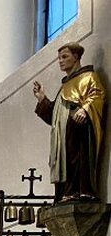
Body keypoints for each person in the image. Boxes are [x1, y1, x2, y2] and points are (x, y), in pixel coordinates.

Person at [33, 42, 105, 202]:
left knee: (76, 158)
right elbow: (55, 116)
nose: (60, 61)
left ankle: (77, 192)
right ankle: (65, 193)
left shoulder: (88, 77)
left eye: (64, 57)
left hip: (78, 129)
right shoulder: (65, 85)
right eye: (59, 58)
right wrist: (43, 100)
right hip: (61, 136)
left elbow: (97, 95)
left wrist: (85, 109)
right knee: (62, 161)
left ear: (76, 56)